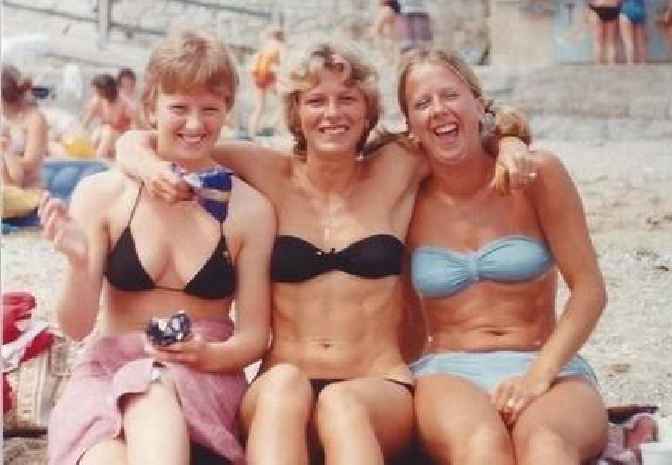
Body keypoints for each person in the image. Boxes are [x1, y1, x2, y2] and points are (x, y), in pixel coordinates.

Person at [115, 41, 534, 465]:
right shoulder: (266, 171)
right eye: (316, 101)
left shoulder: (399, 164)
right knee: (284, 386)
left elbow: (466, 123)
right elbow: (146, 140)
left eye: (347, 99)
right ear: (296, 112)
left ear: (368, 111)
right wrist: (150, 170)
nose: (332, 113)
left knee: (341, 403)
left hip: (377, 384)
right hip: (282, 385)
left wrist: (512, 143)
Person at [43, 29, 275, 465]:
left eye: (210, 108)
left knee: (150, 386)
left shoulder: (249, 210)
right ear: (150, 106)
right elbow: (75, 328)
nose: (194, 123)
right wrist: (79, 263)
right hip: (107, 368)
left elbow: (254, 337)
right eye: (179, 108)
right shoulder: (102, 194)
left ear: (227, 109)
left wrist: (210, 355)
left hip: (204, 372)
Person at [397, 48, 608, 465]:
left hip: (546, 360)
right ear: (410, 125)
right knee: (482, 447)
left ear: (478, 104)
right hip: (448, 369)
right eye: (422, 103)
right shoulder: (404, 195)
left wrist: (539, 375)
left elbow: (589, 290)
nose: (438, 110)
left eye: (450, 95)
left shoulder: (537, 174)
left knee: (546, 446)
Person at [1, 64, 48, 220]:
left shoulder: (34, 120)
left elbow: (31, 163)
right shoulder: (4, 117)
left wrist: (6, 154)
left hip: (28, 191)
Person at [81, 73, 137, 159]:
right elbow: (86, 122)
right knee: (98, 133)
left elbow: (135, 127)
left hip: (121, 138)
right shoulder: (98, 100)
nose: (96, 93)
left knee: (108, 132)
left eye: (98, 91)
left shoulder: (125, 103)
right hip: (104, 134)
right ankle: (88, 157)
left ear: (106, 90)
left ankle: (99, 158)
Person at [248, 26, 285, 140]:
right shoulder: (279, 45)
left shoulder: (264, 47)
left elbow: (254, 64)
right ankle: (280, 130)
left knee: (259, 106)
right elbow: (283, 63)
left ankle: (252, 133)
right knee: (284, 104)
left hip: (258, 76)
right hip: (270, 76)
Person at [372, 0, 401, 65]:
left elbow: (376, 30)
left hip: (386, 46)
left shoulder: (386, 10)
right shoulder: (395, 12)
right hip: (394, 44)